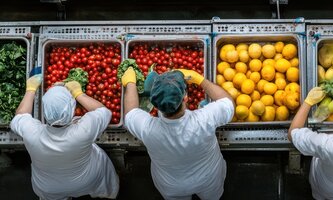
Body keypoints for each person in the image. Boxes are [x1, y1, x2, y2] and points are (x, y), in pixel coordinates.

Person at [121, 67, 234, 200]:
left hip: (171, 185)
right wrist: (200, 80)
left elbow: (130, 113)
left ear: (155, 105)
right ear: (185, 98)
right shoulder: (204, 120)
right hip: (208, 178)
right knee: (212, 197)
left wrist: (130, 83)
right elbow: (228, 103)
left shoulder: (148, 129)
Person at [10, 74, 119, 200]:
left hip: (48, 187)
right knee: (101, 166)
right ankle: (107, 194)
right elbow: (104, 112)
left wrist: (30, 90)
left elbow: (19, 116)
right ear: (72, 108)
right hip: (86, 180)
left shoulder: (32, 133)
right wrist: (79, 94)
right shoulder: (84, 130)